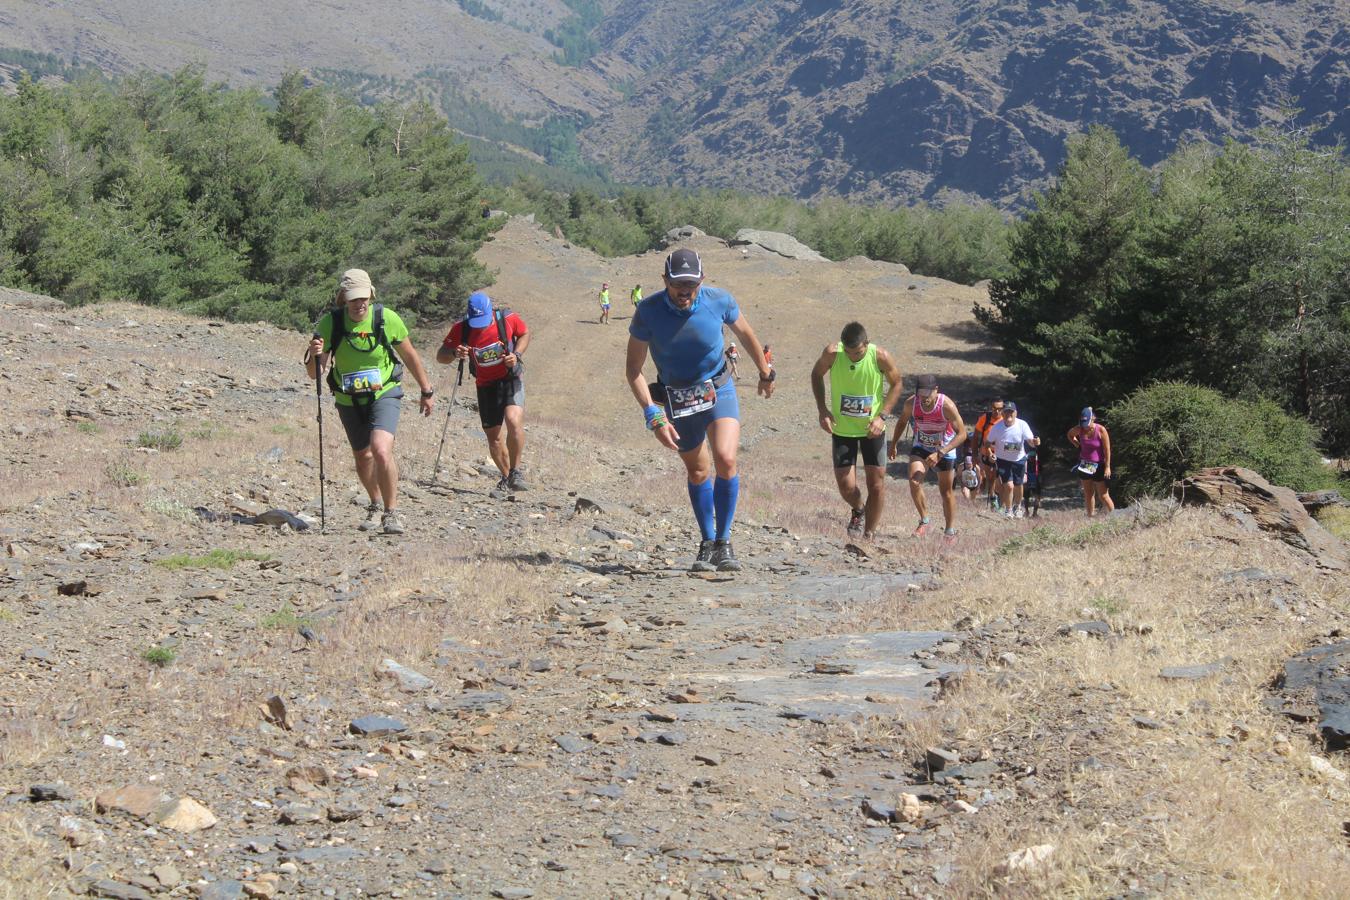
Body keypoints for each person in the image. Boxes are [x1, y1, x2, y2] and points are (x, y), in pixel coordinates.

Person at [626, 248, 774, 572]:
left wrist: (765, 373)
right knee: (697, 471)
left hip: (718, 387)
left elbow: (746, 334)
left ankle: (724, 542)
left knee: (726, 458)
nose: (685, 291)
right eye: (678, 283)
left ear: (702, 280)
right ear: (665, 280)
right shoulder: (648, 312)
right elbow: (633, 370)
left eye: (691, 284)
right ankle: (707, 543)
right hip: (677, 398)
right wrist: (653, 414)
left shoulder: (718, 300)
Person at [304, 268, 435, 535]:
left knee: (381, 450)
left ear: (371, 295)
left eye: (364, 297)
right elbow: (315, 373)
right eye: (353, 298)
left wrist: (426, 390)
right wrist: (314, 355)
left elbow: (410, 356)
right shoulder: (332, 323)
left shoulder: (386, 319)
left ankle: (391, 512)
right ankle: (375, 503)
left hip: (384, 391)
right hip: (347, 397)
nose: (359, 303)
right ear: (344, 298)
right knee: (363, 457)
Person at [810, 322, 903, 540]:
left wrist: (882, 416)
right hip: (843, 428)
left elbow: (897, 383)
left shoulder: (880, 356)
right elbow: (816, 374)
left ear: (867, 344)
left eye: (858, 353)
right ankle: (859, 509)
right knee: (846, 486)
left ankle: (869, 534)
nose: (853, 357)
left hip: (873, 429)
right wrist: (822, 409)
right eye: (849, 352)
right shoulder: (833, 353)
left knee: (877, 484)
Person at [437, 291, 530, 494]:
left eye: (484, 321)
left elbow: (524, 333)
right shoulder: (461, 329)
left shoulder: (506, 318)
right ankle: (507, 478)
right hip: (486, 385)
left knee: (513, 420)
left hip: (510, 377)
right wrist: (454, 353)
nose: (480, 325)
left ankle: (516, 471)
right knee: (494, 438)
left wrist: (517, 354)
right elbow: (440, 356)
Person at [888, 374, 968, 539]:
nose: (924, 397)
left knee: (946, 492)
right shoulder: (912, 403)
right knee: (914, 480)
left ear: (936, 390)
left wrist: (941, 452)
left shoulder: (946, 405)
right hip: (922, 446)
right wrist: (894, 443)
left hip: (944, 449)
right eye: (920, 393)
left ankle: (949, 531)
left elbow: (962, 434)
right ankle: (925, 521)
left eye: (928, 393)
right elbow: (902, 421)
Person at [986, 402, 1039, 518]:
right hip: (1003, 460)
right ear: (1002, 413)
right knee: (1009, 486)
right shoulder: (997, 427)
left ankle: (1017, 506)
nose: (1008, 414)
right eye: (1006, 412)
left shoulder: (1022, 425)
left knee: (1018, 485)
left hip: (1019, 459)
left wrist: (1034, 442)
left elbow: (1030, 440)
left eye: (1011, 412)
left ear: (1016, 413)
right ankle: (1008, 510)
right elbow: (987, 443)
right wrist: (990, 454)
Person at [1067, 406, 1114, 516]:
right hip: (1085, 465)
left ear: (1093, 419)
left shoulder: (1101, 430)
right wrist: (1076, 443)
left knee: (1103, 495)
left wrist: (1107, 467)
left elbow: (1107, 450)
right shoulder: (1080, 429)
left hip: (1099, 465)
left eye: (1087, 423)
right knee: (1088, 493)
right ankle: (1090, 517)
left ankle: (1114, 517)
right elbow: (1070, 434)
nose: (1085, 426)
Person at [968, 399, 1004, 508]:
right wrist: (974, 455)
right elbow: (975, 437)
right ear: (991, 408)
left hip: (1002, 454)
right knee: (991, 477)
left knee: (1001, 479)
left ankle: (1002, 503)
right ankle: (993, 499)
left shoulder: (1006, 420)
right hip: (986, 453)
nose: (997, 412)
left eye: (1000, 409)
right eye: (994, 409)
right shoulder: (985, 419)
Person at [1023, 444, 1043, 517]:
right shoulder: (1038, 454)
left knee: (1026, 496)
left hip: (1027, 476)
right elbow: (1041, 468)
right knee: (1037, 496)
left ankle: (1027, 512)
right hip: (1036, 476)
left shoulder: (1024, 455)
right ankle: (1034, 513)